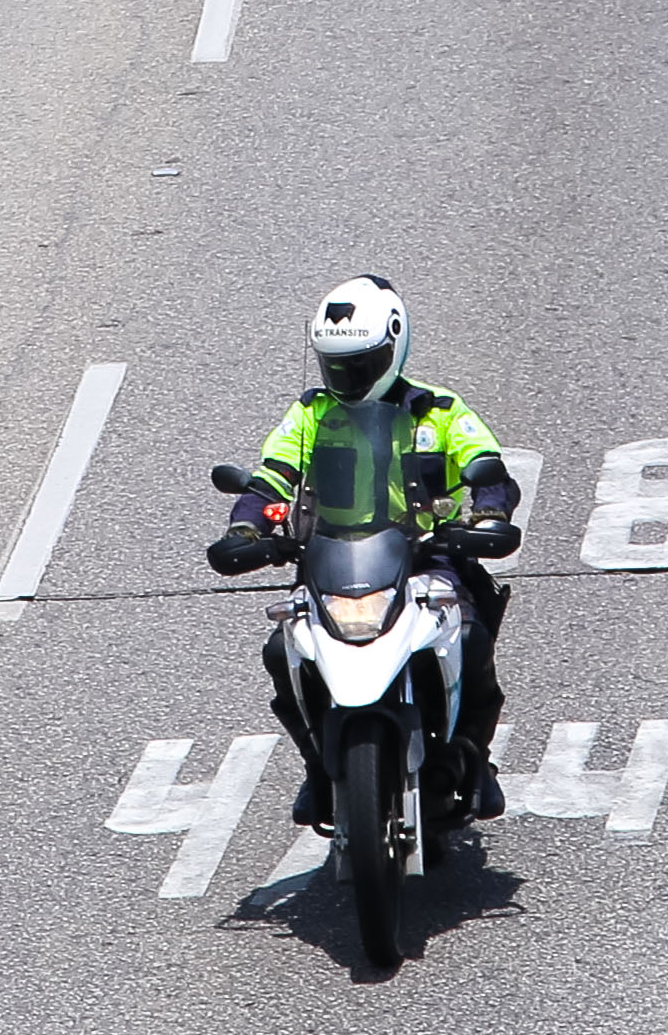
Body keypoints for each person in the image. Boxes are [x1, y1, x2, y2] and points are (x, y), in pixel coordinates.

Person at [207, 275, 522, 819]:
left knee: (471, 638)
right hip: (336, 562)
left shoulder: (439, 410)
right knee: (281, 653)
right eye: (336, 365)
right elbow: (271, 479)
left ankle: (472, 754)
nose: (345, 377)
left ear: (393, 347)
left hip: (427, 556)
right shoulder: (310, 416)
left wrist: (489, 512)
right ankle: (317, 766)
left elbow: (487, 467)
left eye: (359, 364)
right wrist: (246, 529)